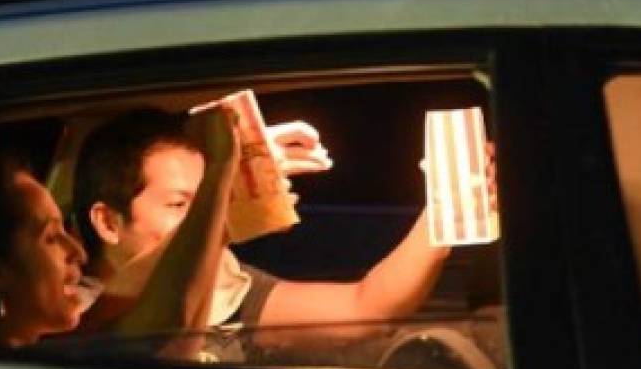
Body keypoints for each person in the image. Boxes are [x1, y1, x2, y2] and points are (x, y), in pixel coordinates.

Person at [71, 106, 458, 334]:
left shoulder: (225, 286)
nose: (205, 217)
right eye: (179, 205)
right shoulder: (67, 309)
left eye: (206, 200)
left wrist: (446, 206)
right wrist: (226, 212)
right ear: (108, 222)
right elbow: (131, 323)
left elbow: (367, 307)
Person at [0, 107, 240, 348]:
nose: (77, 251)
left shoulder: (51, 347)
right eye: (51, 237)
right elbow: (169, 330)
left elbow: (146, 288)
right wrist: (220, 171)